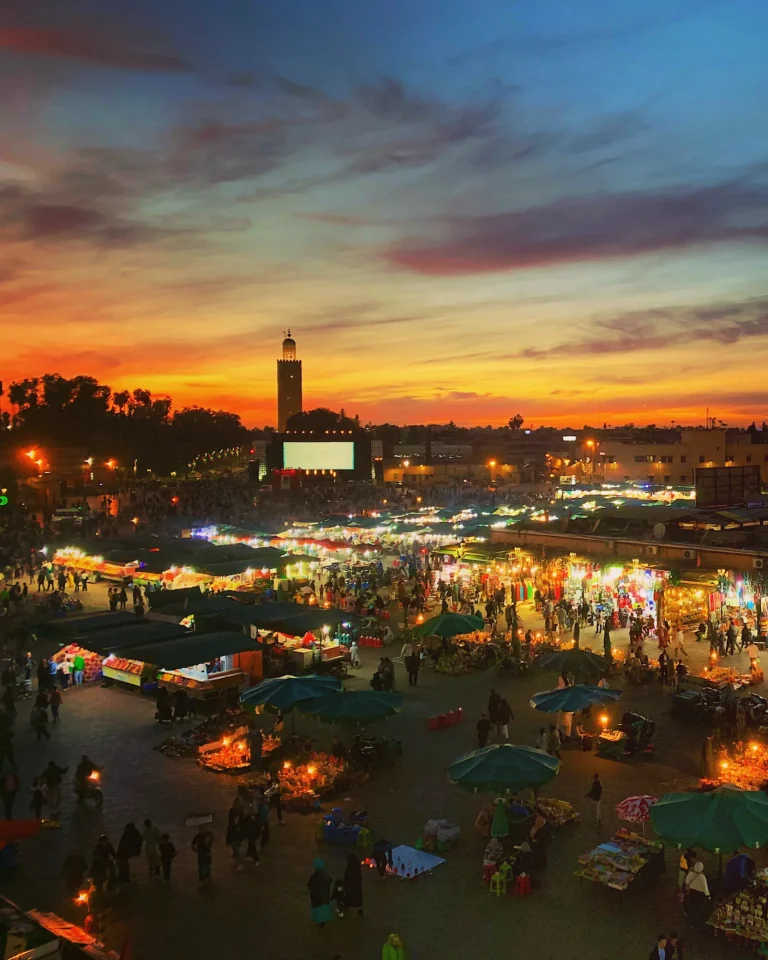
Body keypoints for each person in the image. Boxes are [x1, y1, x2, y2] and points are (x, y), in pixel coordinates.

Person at [307, 857, 335, 926]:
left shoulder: (314, 876)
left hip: (316, 896)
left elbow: (309, 884)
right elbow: (331, 880)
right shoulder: (326, 874)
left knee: (318, 909)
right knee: (324, 908)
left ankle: (320, 923)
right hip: (325, 896)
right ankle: (324, 921)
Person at [342, 852, 364, 916]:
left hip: (350, 885)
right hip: (357, 885)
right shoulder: (357, 866)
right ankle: (359, 907)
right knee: (357, 896)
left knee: (349, 895)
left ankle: (347, 905)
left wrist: (344, 883)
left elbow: (346, 876)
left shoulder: (349, 867)